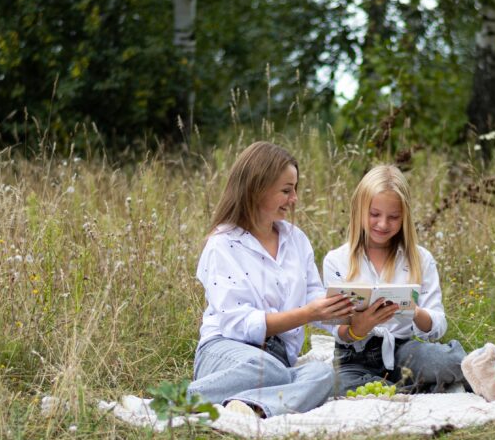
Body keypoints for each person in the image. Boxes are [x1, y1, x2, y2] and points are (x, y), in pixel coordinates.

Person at [187, 141, 354, 417]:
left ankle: (250, 406)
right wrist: (306, 314)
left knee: (323, 374)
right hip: (226, 351)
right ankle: (184, 398)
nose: (295, 199)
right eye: (286, 191)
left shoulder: (296, 240)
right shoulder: (223, 244)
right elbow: (237, 324)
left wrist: (352, 317)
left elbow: (315, 299)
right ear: (256, 189)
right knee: (271, 370)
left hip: (277, 360)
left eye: (295, 189)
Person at [323, 164, 466, 395]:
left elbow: (438, 324)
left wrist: (415, 312)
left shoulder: (421, 259)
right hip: (354, 357)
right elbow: (336, 328)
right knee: (336, 385)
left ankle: (407, 385)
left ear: (404, 218)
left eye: (393, 217)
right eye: (374, 214)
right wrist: (359, 327)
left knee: (448, 361)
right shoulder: (336, 260)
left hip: (404, 350)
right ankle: (413, 388)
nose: (382, 224)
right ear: (359, 211)